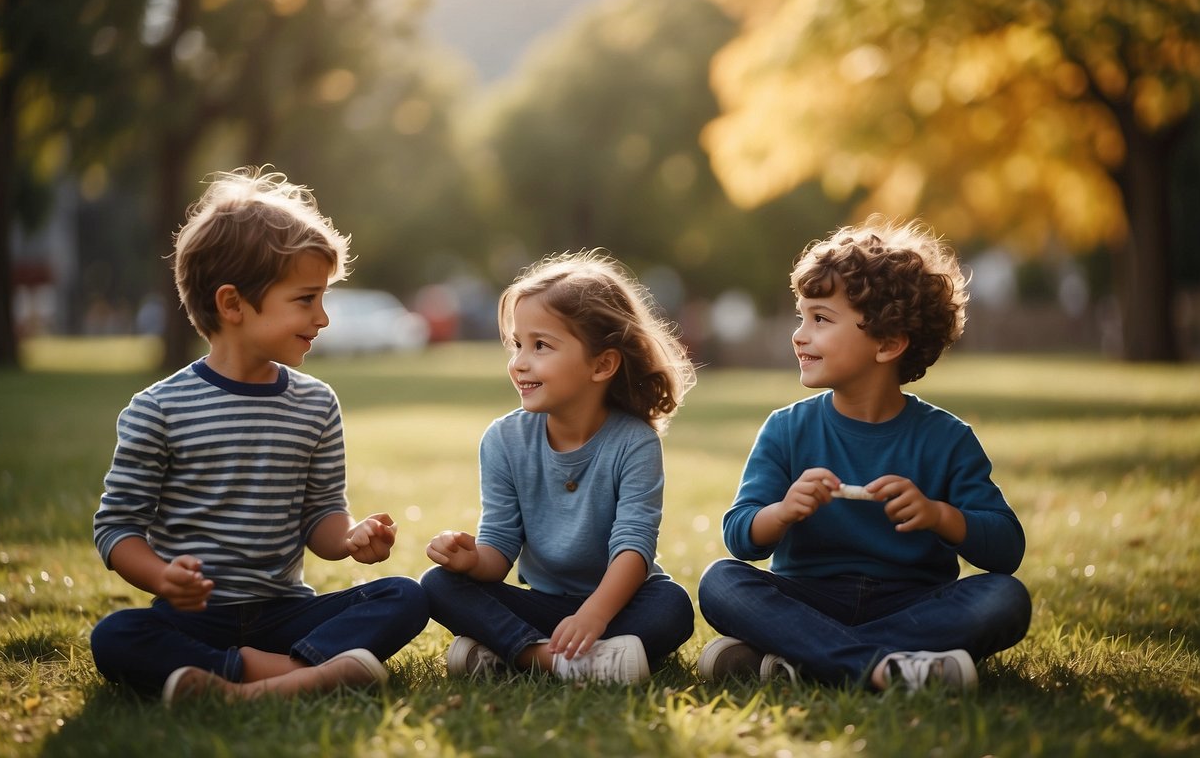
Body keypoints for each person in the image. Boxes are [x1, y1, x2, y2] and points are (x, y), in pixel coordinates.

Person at [90, 167, 430, 704]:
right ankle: (301, 674)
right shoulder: (157, 409)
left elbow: (321, 515)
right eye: (305, 299)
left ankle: (239, 682)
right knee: (114, 636)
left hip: (285, 611)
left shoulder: (316, 403)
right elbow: (117, 529)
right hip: (193, 617)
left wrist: (348, 538)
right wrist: (160, 577)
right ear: (233, 304)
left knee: (405, 596)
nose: (322, 318)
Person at [696, 217, 1031, 693]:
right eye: (801, 316)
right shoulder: (786, 430)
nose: (799, 335)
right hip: (808, 599)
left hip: (912, 604)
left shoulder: (947, 439)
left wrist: (939, 515)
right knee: (721, 582)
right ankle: (884, 666)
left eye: (821, 319)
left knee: (1004, 598)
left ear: (889, 343)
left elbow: (1006, 550)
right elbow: (741, 539)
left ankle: (807, 658)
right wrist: (784, 510)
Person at [421, 250, 697, 684]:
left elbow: (634, 546)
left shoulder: (635, 443)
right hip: (546, 604)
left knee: (673, 607)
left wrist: (594, 615)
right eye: (517, 344)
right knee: (438, 585)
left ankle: (505, 649)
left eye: (541, 346)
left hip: (620, 601)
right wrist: (470, 559)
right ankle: (551, 659)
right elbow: (498, 551)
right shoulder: (503, 440)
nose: (519, 362)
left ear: (602, 364)